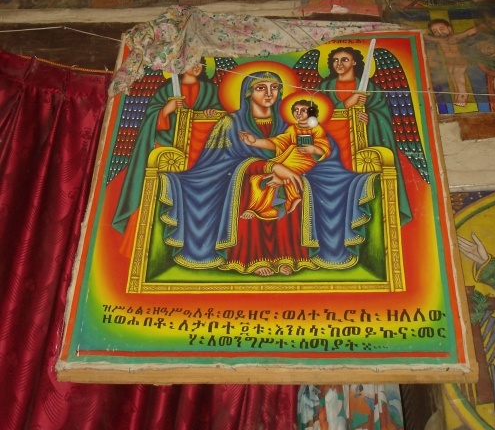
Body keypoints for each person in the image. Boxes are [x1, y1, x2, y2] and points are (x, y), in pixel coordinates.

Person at [158, 69, 380, 275]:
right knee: (254, 182)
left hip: (294, 174)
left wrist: (302, 162)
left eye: (274, 88)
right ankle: (252, 258)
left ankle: (288, 256)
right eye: (260, 87)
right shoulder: (230, 123)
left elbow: (326, 151)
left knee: (305, 183)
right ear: (248, 93)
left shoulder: (291, 122)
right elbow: (216, 164)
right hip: (242, 180)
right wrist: (270, 167)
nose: (269, 93)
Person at [112, 62, 221, 236]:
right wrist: (165, 111)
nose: (196, 66)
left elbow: (221, 115)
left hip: (200, 151)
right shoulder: (167, 90)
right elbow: (150, 118)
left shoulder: (210, 90)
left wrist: (212, 113)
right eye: (191, 62)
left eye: (200, 63)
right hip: (168, 147)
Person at [319, 47, 412, 225]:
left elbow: (384, 118)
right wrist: (348, 103)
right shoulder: (323, 88)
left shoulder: (371, 88)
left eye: (344, 60)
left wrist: (370, 118)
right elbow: (315, 116)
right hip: (332, 148)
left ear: (354, 62)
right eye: (335, 60)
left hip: (361, 149)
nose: (339, 64)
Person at [238, 100, 331, 219]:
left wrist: (314, 149)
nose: (298, 113)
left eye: (303, 110)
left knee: (276, 175)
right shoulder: (292, 129)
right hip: (287, 159)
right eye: (296, 110)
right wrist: (254, 142)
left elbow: (324, 147)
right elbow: (278, 143)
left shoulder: (317, 129)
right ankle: (258, 208)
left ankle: (284, 202)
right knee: (256, 178)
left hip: (304, 159)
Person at [423, 19, 477, 106]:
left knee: (459, 81)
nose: (440, 32)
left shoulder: (454, 37)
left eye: (441, 29)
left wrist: (481, 27)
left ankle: (463, 99)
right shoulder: (440, 40)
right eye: (435, 31)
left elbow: (467, 33)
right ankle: (457, 100)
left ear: (449, 29)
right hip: (449, 63)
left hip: (458, 61)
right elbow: (426, 37)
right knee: (454, 82)